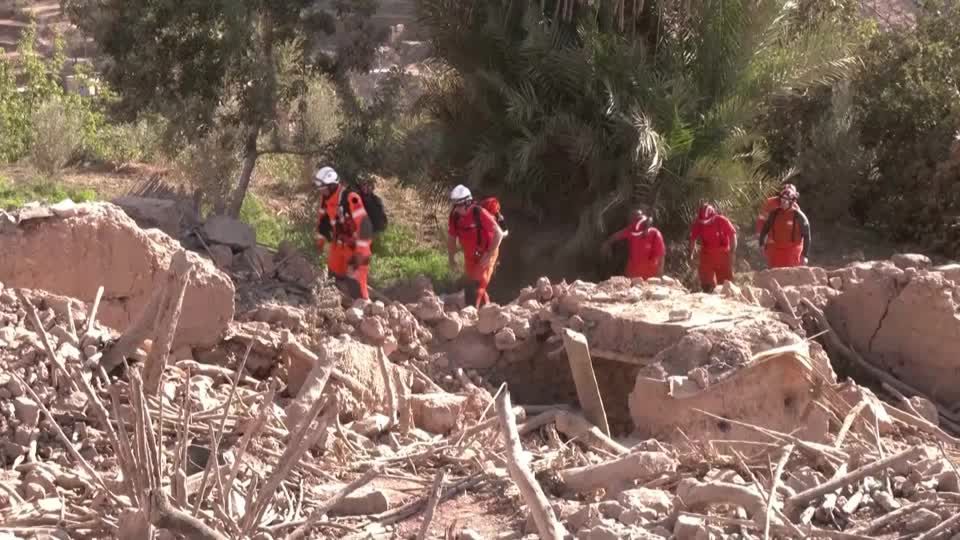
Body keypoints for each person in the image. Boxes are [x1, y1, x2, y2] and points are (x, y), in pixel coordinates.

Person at [314, 166, 374, 300]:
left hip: (357, 248)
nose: (321, 192)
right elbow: (322, 224)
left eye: (323, 188)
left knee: (356, 284)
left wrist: (358, 258)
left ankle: (365, 312)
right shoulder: (326, 200)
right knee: (333, 280)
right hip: (339, 246)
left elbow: (365, 228)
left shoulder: (351, 198)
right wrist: (318, 246)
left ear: (331, 185)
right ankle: (342, 313)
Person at [447, 185, 505, 308]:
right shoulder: (455, 216)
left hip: (487, 252)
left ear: (467, 203)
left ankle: (471, 315)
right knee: (471, 281)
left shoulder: (479, 213)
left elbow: (499, 233)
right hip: (470, 255)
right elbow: (451, 239)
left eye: (458, 205)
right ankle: (486, 310)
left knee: (476, 285)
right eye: (454, 205)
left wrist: (488, 255)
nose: (455, 209)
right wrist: (451, 258)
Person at [602, 208, 665, 280]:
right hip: (633, 275)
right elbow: (614, 238)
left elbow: (661, 256)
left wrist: (659, 275)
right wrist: (607, 245)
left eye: (639, 217)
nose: (637, 220)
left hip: (650, 276)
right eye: (634, 217)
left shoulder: (655, 233)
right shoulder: (630, 230)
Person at [688, 202, 738, 293]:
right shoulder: (698, 224)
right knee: (706, 283)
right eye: (703, 222)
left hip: (723, 254)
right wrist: (691, 254)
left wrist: (732, 251)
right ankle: (707, 293)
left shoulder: (722, 221)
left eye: (707, 221)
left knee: (725, 283)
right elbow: (693, 238)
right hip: (707, 254)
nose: (705, 224)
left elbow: (733, 234)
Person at [758, 185, 811, 268]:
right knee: (774, 272)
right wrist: (761, 243)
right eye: (782, 199)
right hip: (777, 249)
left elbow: (807, 236)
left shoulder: (799, 216)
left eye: (786, 200)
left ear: (792, 201)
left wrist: (805, 255)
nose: (783, 202)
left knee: (791, 274)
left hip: (793, 250)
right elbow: (765, 228)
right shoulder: (774, 213)